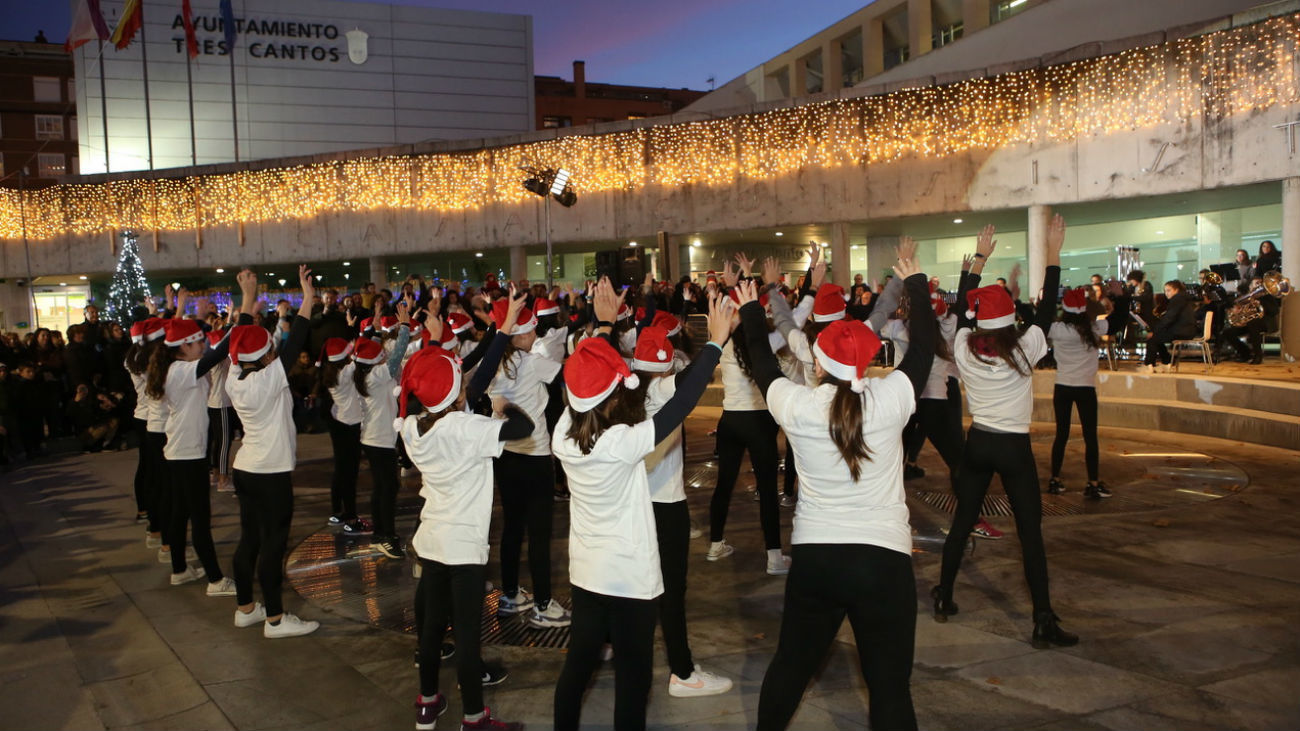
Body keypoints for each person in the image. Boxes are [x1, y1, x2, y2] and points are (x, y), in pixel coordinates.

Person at [737, 249, 932, 729]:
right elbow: (924, 349)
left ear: (818, 366)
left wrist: (749, 307)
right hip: (883, 561)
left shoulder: (800, 407)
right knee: (889, 690)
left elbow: (762, 364)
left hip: (817, 560)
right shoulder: (889, 400)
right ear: (864, 366)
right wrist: (918, 286)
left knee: (790, 667)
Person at [551, 279, 729, 731]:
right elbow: (681, 404)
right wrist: (715, 344)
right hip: (630, 579)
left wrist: (606, 325)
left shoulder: (562, 436)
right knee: (634, 680)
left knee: (577, 669)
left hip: (587, 576)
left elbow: (584, 375)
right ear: (614, 395)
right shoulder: (622, 443)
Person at [935, 215, 1079, 650]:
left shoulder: (963, 346)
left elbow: (960, 307)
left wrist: (978, 260)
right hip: (1014, 448)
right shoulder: (1025, 348)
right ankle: (1041, 619)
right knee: (1030, 532)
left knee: (962, 521)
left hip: (978, 443)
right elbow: (1050, 305)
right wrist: (1053, 251)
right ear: (1012, 318)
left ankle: (943, 595)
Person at [404, 293, 530, 731]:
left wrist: (500, 328)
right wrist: (504, 407)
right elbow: (524, 429)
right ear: (458, 391)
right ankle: (475, 719)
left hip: (432, 539)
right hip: (464, 548)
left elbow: (431, 383)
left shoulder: (411, 426)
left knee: (432, 629)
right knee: (468, 635)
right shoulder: (469, 429)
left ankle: (426, 702)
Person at [626, 324, 734, 698]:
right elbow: (691, 381)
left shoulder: (627, 390)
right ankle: (683, 673)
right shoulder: (658, 388)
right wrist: (716, 342)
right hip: (665, 505)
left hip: (632, 503)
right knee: (671, 591)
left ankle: (610, 643)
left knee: (630, 583)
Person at [226, 266, 319, 638]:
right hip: (270, 473)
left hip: (246, 467)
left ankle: (246, 608)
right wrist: (308, 296)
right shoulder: (271, 375)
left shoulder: (235, 374)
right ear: (267, 355)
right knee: (273, 545)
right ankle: (276, 620)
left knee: (249, 537)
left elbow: (240, 333)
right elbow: (296, 337)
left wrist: (247, 295)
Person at [486, 295, 571, 629]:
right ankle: (543, 604)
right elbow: (566, 373)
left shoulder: (496, 363)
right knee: (538, 535)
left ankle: (510, 594)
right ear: (517, 335)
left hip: (506, 456)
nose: (535, 336)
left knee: (511, 528)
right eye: (530, 332)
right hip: (535, 456)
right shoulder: (531, 361)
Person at [707, 258, 790, 577]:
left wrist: (730, 286)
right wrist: (772, 285)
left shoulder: (723, 345)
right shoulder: (766, 345)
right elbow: (792, 318)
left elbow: (728, 312)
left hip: (730, 421)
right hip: (759, 421)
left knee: (724, 484)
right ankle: (773, 557)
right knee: (768, 489)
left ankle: (715, 543)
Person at [147, 316, 238, 595]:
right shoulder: (181, 371)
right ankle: (214, 580)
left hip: (179, 451)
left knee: (180, 513)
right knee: (199, 517)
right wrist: (244, 309)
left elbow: (214, 352)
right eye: (198, 341)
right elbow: (219, 352)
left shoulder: (177, 368)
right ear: (183, 346)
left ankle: (179, 570)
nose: (203, 344)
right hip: (187, 455)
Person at [354, 302, 413, 557]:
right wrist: (405, 327)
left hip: (374, 438)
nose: (384, 355)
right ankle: (384, 535)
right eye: (380, 355)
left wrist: (376, 330)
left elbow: (372, 350)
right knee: (388, 490)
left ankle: (382, 532)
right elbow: (398, 354)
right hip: (379, 441)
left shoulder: (363, 372)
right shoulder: (377, 375)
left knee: (383, 488)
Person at [1047, 288, 1111, 499]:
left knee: (1061, 435)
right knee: (1090, 436)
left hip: (1062, 385)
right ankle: (1093, 482)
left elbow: (1036, 317)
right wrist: (1119, 297)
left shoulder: (1056, 329)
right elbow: (1117, 319)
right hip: (1086, 388)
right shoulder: (1094, 328)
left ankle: (1055, 479)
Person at [316, 337, 371, 534]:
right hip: (351, 426)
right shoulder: (346, 373)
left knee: (340, 470)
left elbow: (351, 353)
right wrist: (368, 332)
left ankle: (337, 511)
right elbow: (360, 357)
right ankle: (351, 517)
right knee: (350, 473)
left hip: (338, 423)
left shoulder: (330, 373)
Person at [1143, 280, 1196, 371]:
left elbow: (1169, 318)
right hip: (1187, 330)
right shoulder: (1183, 299)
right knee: (1157, 338)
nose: (1166, 293)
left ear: (1176, 290)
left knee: (1153, 339)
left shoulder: (1177, 300)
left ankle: (1149, 365)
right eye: (1165, 291)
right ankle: (1167, 361)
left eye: (1168, 290)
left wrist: (1155, 331)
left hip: (1181, 331)